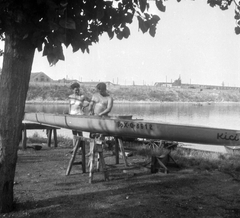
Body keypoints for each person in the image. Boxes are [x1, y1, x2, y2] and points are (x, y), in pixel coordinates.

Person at [68, 82, 89, 147]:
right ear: (73, 90)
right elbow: (69, 106)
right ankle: (74, 147)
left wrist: (85, 106)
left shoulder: (81, 97)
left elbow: (89, 102)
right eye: (75, 89)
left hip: (79, 115)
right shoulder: (70, 97)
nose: (77, 91)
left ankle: (81, 147)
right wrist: (69, 114)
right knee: (74, 132)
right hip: (72, 115)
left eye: (78, 89)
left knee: (80, 132)